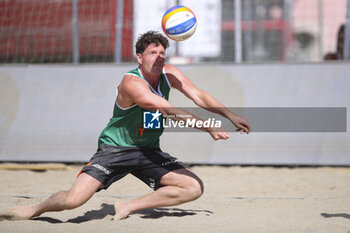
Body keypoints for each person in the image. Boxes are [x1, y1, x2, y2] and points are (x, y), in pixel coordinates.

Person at [9, 30, 250, 221]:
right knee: (74, 200)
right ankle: (34, 209)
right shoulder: (131, 83)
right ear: (140, 57)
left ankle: (128, 205)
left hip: (147, 151)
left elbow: (199, 96)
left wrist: (229, 115)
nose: (159, 57)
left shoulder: (170, 73)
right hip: (115, 149)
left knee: (193, 187)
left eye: (163, 52)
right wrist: (207, 126)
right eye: (153, 52)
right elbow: (166, 109)